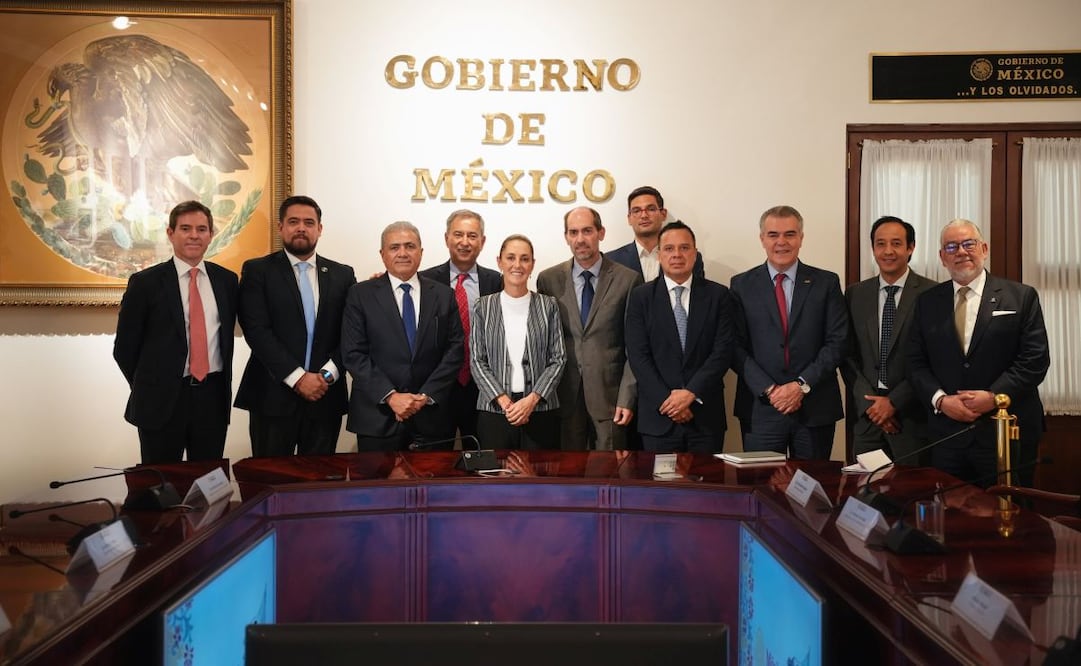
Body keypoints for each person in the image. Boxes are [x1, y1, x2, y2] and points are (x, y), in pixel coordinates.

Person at [908, 219, 1050, 487]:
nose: (960, 251)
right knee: (950, 517)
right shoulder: (927, 302)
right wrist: (940, 401)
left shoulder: (1021, 297)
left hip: (1004, 429)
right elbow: (915, 363)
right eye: (951, 247)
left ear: (984, 248)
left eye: (968, 243)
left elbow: (1035, 360)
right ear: (942, 257)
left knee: (1010, 514)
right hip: (947, 434)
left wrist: (995, 397)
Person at [113, 200, 238, 464]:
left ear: (210, 235)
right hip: (161, 401)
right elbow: (125, 349)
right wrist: (152, 386)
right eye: (185, 228)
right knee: (160, 485)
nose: (194, 235)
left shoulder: (226, 281)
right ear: (171, 234)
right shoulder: (145, 283)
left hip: (211, 398)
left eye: (202, 229)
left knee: (206, 482)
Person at [234, 195, 356, 457]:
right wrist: (298, 377)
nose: (301, 227)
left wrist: (325, 376)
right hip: (272, 396)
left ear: (319, 229)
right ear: (281, 227)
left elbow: (351, 333)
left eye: (309, 222)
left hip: (325, 396)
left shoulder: (343, 275)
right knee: (271, 481)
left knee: (318, 484)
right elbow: (256, 330)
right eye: (293, 221)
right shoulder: (258, 271)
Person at [731, 205, 848, 460]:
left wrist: (800, 385)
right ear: (762, 239)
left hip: (814, 407)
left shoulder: (826, 282)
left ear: (801, 238)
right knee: (761, 489)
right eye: (773, 235)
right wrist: (771, 390)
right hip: (761, 409)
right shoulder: (741, 285)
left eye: (790, 234)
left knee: (812, 491)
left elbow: (837, 342)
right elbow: (734, 347)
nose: (781, 242)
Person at [341, 221, 464, 451]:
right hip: (378, 418)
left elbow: (454, 350)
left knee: (434, 487)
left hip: (432, 418)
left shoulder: (443, 295)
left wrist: (425, 396)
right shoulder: (360, 294)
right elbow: (353, 353)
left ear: (421, 252)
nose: (403, 253)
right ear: (382, 254)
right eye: (394, 247)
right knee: (377, 487)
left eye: (410, 246)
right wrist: (390, 396)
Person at [537, 207, 643, 451]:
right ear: (566, 237)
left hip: (610, 398)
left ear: (601, 233)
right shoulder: (548, 279)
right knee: (568, 475)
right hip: (563, 396)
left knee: (609, 475)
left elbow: (635, 347)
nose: (580, 239)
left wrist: (627, 397)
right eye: (573, 232)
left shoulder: (628, 280)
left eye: (587, 231)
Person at [625, 222, 733, 453]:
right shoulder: (640, 297)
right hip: (659, 417)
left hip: (705, 417)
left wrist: (691, 393)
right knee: (661, 488)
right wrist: (669, 401)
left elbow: (722, 352)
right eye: (669, 249)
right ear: (659, 255)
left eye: (684, 248)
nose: (677, 255)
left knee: (707, 488)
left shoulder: (718, 296)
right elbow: (638, 355)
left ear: (695, 254)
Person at [842, 216, 934, 463]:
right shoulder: (855, 294)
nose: (888, 251)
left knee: (913, 496)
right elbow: (847, 356)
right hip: (867, 420)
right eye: (880, 244)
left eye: (896, 243)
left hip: (913, 418)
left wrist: (893, 402)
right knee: (866, 496)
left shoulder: (932, 294)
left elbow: (933, 359)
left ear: (911, 247)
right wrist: (874, 408)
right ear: (873, 249)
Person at [470, 235, 565, 450]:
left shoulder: (548, 305)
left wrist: (531, 401)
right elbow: (477, 360)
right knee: (495, 480)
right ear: (499, 262)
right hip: (494, 411)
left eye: (524, 259)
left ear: (532, 264)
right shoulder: (482, 307)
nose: (517, 265)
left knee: (539, 479)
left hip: (540, 411)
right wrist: (505, 402)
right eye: (510, 257)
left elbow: (558, 359)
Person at [418, 209, 503, 441]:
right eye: (458, 234)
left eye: (472, 236)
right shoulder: (423, 281)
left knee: (483, 458)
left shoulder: (498, 282)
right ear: (447, 238)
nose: (465, 242)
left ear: (482, 242)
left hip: (483, 389)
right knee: (433, 460)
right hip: (436, 386)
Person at [606, 185, 704, 281]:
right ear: (629, 219)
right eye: (636, 211)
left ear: (663, 214)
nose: (644, 215)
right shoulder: (611, 261)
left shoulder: (688, 257)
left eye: (651, 209)